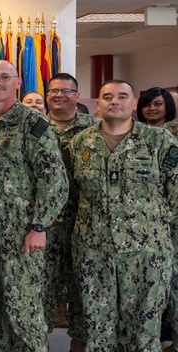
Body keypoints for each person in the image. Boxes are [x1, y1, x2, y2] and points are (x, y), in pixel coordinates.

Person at [65, 79, 178, 351]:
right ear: (99, 104)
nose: (114, 101)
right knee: (98, 330)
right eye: (107, 96)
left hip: (146, 254)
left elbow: (175, 194)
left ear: (133, 103)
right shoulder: (80, 142)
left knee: (145, 331)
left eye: (122, 96)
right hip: (94, 252)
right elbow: (71, 195)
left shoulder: (159, 141)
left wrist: (150, 228)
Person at [0, 60, 68, 351]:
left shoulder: (32, 122)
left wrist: (39, 226)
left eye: (4, 77)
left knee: (23, 309)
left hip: (20, 234)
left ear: (17, 83)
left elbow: (54, 179)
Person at [43, 73, 99, 350]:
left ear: (78, 95)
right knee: (40, 290)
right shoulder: (36, 126)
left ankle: (79, 344)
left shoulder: (96, 128)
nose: (59, 95)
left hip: (84, 224)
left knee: (83, 290)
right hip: (45, 225)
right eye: (53, 91)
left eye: (66, 90)